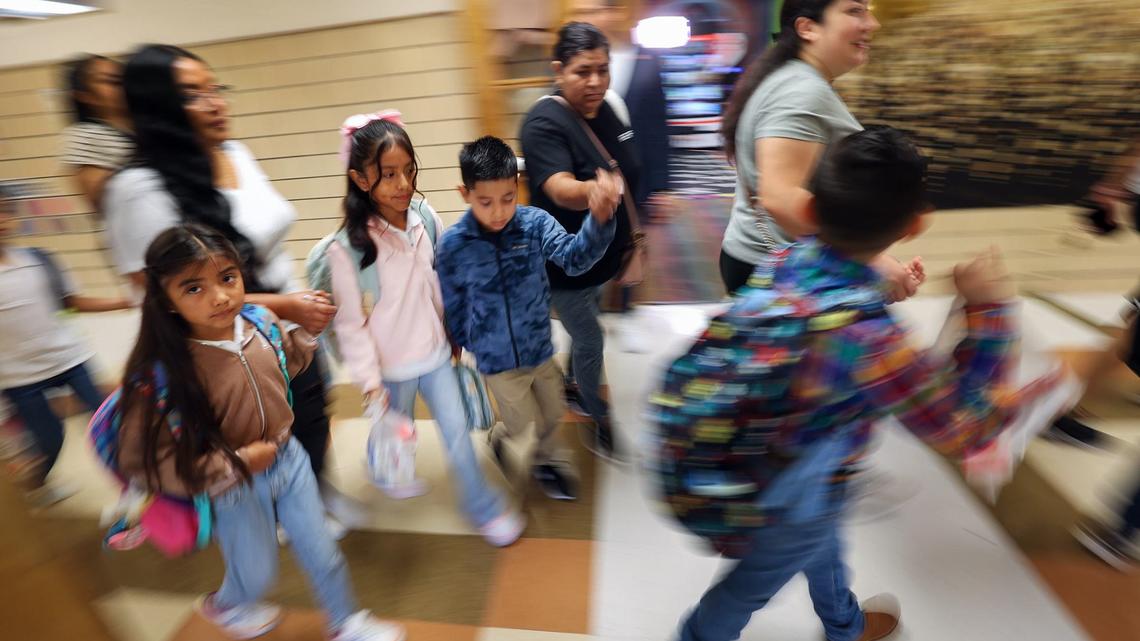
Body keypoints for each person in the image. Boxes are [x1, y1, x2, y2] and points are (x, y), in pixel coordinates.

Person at [658, 127, 1063, 641]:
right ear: (916, 224)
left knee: (823, 542)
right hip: (786, 491)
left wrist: (877, 283)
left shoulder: (787, 260)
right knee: (751, 587)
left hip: (769, 454)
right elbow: (966, 427)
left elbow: (828, 304)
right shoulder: (870, 342)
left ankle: (844, 626)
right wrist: (988, 312)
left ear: (812, 207)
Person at [100, 44, 353, 534]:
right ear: (160, 109)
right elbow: (166, 298)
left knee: (307, 414)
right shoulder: (139, 190)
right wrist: (283, 305)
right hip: (221, 345)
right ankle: (277, 521)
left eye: (216, 88)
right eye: (194, 95)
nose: (216, 103)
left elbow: (263, 242)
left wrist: (293, 308)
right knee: (253, 435)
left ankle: (309, 494)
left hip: (280, 325)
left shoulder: (235, 153)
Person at [116, 224, 402, 641]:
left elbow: (286, 361)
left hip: (289, 459)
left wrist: (310, 334)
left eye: (227, 278)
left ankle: (346, 622)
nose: (219, 296)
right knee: (256, 570)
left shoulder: (260, 320)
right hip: (231, 482)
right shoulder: (163, 373)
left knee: (321, 549)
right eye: (193, 288)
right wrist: (234, 462)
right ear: (166, 300)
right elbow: (144, 459)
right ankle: (228, 603)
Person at [327, 111, 524, 545]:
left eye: (408, 171)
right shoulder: (349, 249)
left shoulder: (423, 218)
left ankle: (483, 508)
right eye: (388, 175)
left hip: (435, 356)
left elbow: (439, 282)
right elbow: (351, 324)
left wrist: (454, 334)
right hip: (389, 367)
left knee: (456, 434)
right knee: (396, 434)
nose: (403, 184)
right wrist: (369, 382)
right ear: (361, 180)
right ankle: (381, 465)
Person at [436, 136, 618, 501]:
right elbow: (451, 301)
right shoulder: (454, 245)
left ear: (517, 187)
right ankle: (500, 436)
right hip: (497, 362)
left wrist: (598, 221)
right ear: (465, 193)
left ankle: (545, 460)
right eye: (485, 202)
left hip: (538, 347)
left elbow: (573, 257)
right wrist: (468, 340)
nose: (499, 211)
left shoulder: (534, 224)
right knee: (519, 423)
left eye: (508, 198)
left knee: (553, 413)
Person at [717, 0, 920, 299]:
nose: (871, 24)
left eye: (868, 11)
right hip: (785, 276)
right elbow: (779, 197)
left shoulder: (790, 78)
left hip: (766, 264)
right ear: (808, 28)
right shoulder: (802, 90)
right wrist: (869, 257)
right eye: (855, 11)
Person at [520, 22, 638, 460]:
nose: (595, 81)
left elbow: (626, 162)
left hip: (604, 257)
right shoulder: (543, 121)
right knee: (590, 340)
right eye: (582, 71)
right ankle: (596, 415)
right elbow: (556, 185)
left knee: (586, 327)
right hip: (565, 265)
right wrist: (594, 192)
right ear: (558, 69)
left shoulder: (607, 108)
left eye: (602, 70)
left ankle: (574, 385)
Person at [0, 184, 133, 506]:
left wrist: (121, 303)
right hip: (19, 377)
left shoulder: (39, 260)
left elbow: (70, 301)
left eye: (6, 211)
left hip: (70, 358)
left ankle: (134, 487)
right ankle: (39, 482)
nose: (2, 220)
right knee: (50, 437)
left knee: (108, 423)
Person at [59, 54, 133, 211]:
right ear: (84, 96)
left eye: (121, 79)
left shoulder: (142, 126)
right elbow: (97, 200)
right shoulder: (84, 134)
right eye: (110, 81)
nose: (121, 86)